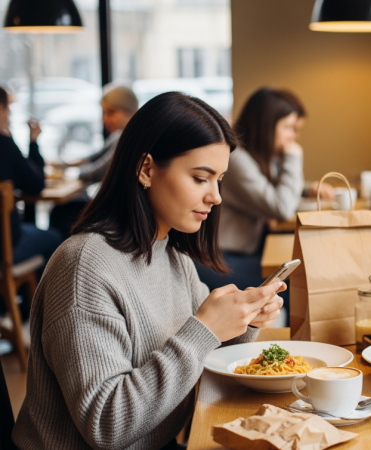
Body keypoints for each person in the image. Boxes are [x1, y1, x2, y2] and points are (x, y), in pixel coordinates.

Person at [12, 92, 285, 449]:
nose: (216, 197)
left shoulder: (173, 258)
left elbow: (205, 353)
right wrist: (204, 330)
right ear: (146, 169)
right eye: (201, 178)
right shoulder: (84, 268)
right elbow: (107, 425)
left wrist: (244, 320)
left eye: (219, 179)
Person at [194, 88, 330, 324]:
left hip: (245, 252)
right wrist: (294, 158)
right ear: (267, 126)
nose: (293, 137)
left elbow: (270, 192)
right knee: (298, 284)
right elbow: (280, 205)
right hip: (219, 258)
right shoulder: (236, 160)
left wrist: (306, 188)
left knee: (303, 276)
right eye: (288, 128)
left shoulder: (259, 157)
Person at [48, 84, 139, 237]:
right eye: (104, 113)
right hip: (118, 209)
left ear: (129, 111)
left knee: (61, 213)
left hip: (118, 214)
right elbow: (92, 158)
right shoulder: (121, 136)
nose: (105, 120)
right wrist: (66, 165)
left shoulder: (126, 139)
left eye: (111, 112)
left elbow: (95, 172)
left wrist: (69, 173)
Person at [0, 86, 63, 279]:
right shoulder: (4, 144)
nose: (9, 116)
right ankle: (35, 307)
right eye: (8, 108)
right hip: (5, 249)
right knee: (56, 239)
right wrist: (33, 141)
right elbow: (35, 185)